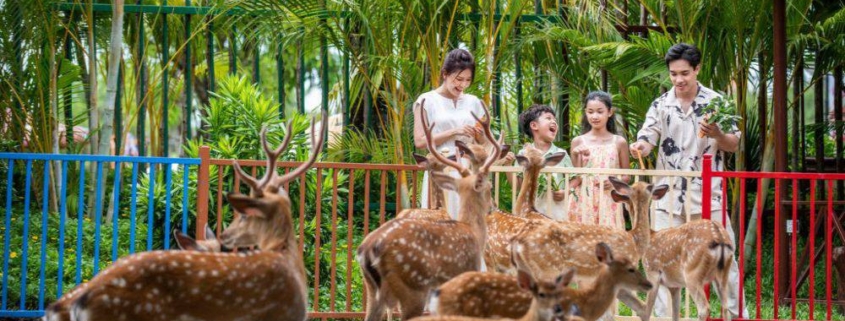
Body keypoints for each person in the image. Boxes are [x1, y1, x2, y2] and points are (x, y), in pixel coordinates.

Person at [629, 43, 747, 319]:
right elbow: (647, 138)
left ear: (697, 69)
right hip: (667, 200)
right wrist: (641, 146)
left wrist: (717, 134)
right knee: (655, 263)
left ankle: (737, 315)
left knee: (725, 261)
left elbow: (733, 145)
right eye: (673, 74)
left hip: (708, 196)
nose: (679, 79)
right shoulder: (660, 104)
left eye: (684, 73)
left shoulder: (717, 102)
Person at [413, 48, 498, 219]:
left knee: (469, 221)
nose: (462, 85)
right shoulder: (426, 100)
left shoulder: (474, 102)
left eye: (467, 80)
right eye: (458, 79)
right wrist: (453, 132)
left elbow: (484, 141)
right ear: (445, 74)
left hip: (468, 170)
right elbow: (420, 142)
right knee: (440, 222)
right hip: (441, 169)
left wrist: (479, 133)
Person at [568, 91, 630, 229]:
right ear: (585, 112)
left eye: (599, 111)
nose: (594, 116)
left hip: (608, 198)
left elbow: (627, 175)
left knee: (610, 240)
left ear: (609, 112)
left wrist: (615, 182)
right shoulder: (577, 141)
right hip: (584, 197)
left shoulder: (619, 142)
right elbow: (575, 176)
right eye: (590, 112)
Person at [514, 104, 574, 220]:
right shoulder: (523, 154)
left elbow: (575, 178)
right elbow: (518, 185)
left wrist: (566, 191)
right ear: (534, 125)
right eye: (548, 118)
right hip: (531, 212)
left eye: (555, 120)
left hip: (557, 213)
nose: (554, 122)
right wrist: (507, 165)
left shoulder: (561, 153)